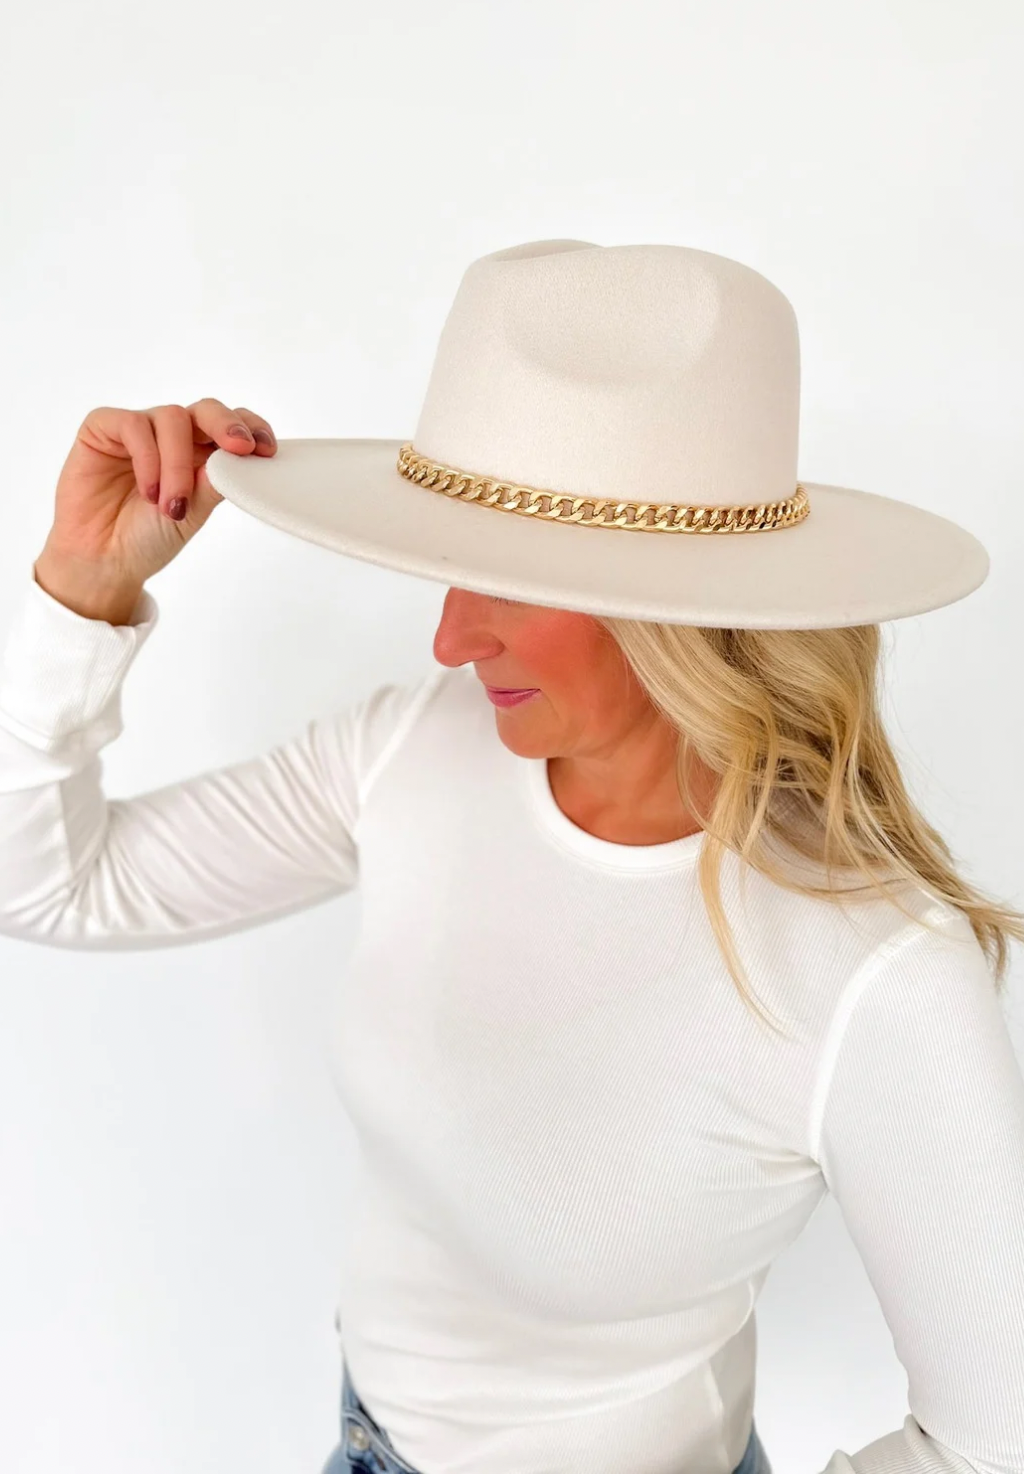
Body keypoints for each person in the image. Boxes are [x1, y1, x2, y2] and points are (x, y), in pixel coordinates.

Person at [1, 238, 1022, 1474]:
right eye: (451, 565)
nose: (448, 639)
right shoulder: (416, 750)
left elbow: (992, 1440)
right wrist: (80, 596)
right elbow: (49, 885)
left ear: (689, 612)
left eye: (510, 580)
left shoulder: (873, 970)